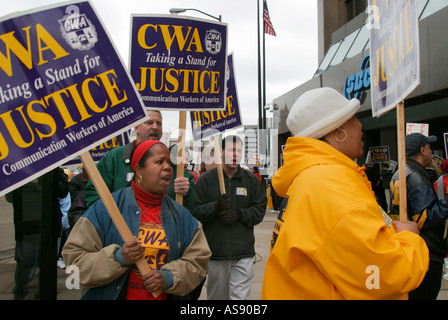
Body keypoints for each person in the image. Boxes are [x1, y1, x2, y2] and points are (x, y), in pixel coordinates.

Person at [262, 87, 429, 300]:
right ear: (337, 130)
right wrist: (409, 239)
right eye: (353, 117)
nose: (360, 125)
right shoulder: (330, 183)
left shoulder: (313, 177)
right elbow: (384, 276)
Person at [62, 140, 211, 300]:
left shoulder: (182, 215)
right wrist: (118, 258)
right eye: (159, 161)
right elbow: (74, 262)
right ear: (139, 170)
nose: (168, 167)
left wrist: (168, 278)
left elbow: (198, 261)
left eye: (169, 162)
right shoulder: (105, 210)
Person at [193, 135, 267, 300]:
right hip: (216, 253)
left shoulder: (251, 181)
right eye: (232, 150)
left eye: (239, 150)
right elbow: (195, 211)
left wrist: (239, 214)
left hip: (243, 253)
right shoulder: (206, 180)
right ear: (221, 152)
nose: (236, 154)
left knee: (240, 299)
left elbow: (259, 210)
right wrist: (215, 207)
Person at [83, 110, 191, 207]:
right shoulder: (115, 157)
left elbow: (187, 208)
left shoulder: (171, 161)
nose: (155, 127)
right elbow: (93, 193)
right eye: (149, 122)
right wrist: (111, 220)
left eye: (159, 123)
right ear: (136, 128)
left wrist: (185, 192)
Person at [389, 132, 448, 300]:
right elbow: (425, 218)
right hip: (425, 252)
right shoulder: (415, 175)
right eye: (429, 148)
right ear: (422, 151)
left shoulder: (400, 172)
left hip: (407, 247)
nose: (431, 153)